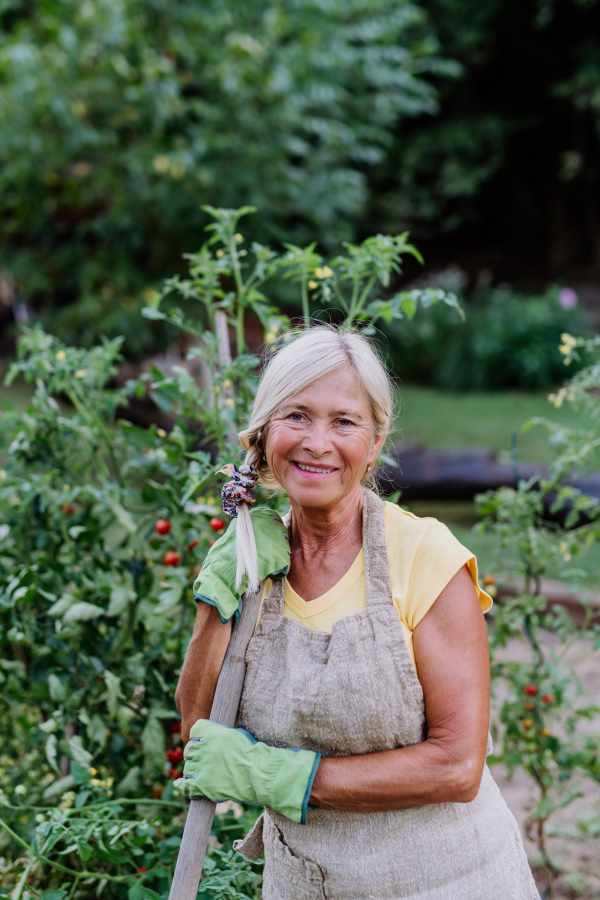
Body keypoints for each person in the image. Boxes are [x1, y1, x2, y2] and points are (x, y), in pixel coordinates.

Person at [174, 326, 540, 899]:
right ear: (264, 432)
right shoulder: (252, 563)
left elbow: (457, 766)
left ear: (374, 442)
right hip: (304, 884)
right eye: (296, 416)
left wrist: (285, 777)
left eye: (343, 422)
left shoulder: (424, 557)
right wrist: (217, 599)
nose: (317, 442)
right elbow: (199, 727)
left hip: (445, 881)